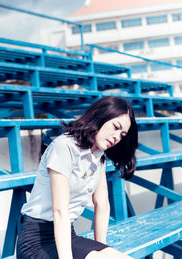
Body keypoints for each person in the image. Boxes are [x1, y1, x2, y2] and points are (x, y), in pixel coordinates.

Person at [16, 96, 138, 259]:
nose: (117, 137)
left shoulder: (99, 156)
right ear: (101, 116)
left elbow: (101, 204)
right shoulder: (64, 146)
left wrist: (101, 248)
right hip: (36, 240)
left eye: (122, 134)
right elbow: (59, 211)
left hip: (68, 235)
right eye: (116, 127)